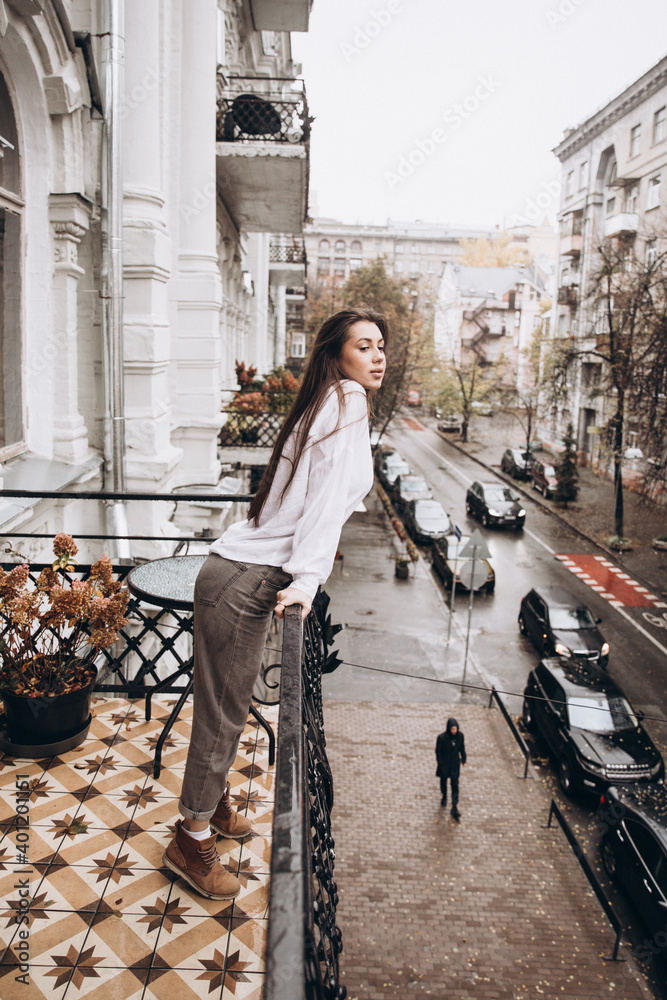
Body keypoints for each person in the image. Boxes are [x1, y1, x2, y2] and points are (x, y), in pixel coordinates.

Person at [163, 307, 388, 899]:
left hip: (231, 571)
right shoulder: (348, 404)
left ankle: (208, 809)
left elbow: (305, 498)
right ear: (338, 355)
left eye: (380, 346)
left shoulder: (321, 402)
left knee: (221, 705)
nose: (378, 356)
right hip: (246, 582)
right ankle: (189, 841)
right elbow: (324, 505)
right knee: (222, 712)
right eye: (364, 346)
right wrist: (308, 581)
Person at [435, 717, 466, 820]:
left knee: (455, 785)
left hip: (454, 764)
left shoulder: (460, 736)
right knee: (443, 782)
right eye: (452, 729)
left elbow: (462, 748)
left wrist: (463, 759)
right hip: (444, 764)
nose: (454, 731)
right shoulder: (441, 738)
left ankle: (454, 806)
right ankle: (444, 796)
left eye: (455, 729)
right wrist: (440, 762)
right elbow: (438, 752)